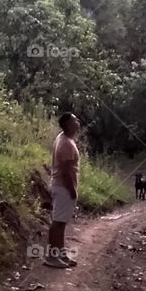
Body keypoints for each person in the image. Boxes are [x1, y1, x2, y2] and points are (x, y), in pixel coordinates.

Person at [46, 111, 81, 269]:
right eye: (75, 120)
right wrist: (72, 189)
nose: (78, 122)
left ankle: (59, 254)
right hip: (63, 186)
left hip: (60, 186)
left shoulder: (64, 138)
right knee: (58, 222)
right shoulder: (66, 143)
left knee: (61, 222)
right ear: (67, 124)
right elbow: (66, 171)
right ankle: (51, 256)